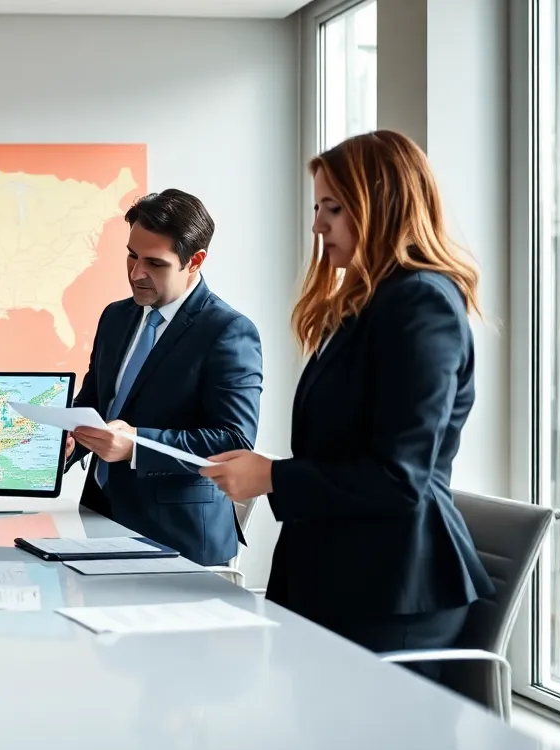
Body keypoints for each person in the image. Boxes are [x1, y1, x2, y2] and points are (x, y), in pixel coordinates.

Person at [200, 130, 495, 668]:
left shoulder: (421, 304)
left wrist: (271, 477)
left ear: (382, 205)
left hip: (392, 591)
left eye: (333, 208)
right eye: (318, 208)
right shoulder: (367, 302)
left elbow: (399, 477)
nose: (317, 226)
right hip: (340, 577)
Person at [65, 189, 263, 566]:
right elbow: (94, 405)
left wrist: (136, 445)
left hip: (180, 538)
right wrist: (70, 441)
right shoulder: (115, 317)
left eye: (155, 263)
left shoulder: (228, 331)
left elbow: (234, 440)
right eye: (131, 255)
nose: (137, 273)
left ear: (195, 261)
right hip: (97, 521)